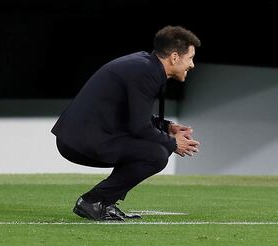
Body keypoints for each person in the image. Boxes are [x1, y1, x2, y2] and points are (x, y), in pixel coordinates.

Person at [51, 25, 201, 221]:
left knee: (155, 149)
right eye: (190, 58)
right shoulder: (146, 72)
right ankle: (93, 201)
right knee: (155, 154)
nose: (192, 65)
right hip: (81, 141)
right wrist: (173, 143)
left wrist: (167, 127)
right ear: (174, 57)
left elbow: (131, 114)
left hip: (82, 136)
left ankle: (105, 203)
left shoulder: (144, 65)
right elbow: (138, 127)